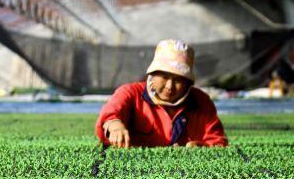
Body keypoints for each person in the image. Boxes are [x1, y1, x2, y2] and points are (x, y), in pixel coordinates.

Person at [95, 39, 228, 149]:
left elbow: (218, 142)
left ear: (188, 82)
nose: (170, 86)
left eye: (179, 80)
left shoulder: (201, 101)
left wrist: (201, 146)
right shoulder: (131, 93)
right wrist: (114, 126)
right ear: (153, 74)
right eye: (164, 77)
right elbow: (110, 115)